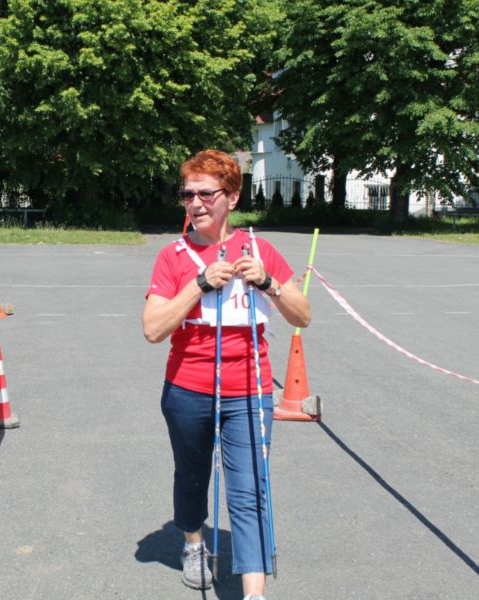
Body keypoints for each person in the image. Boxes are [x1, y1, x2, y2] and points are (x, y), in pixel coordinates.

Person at [142, 149, 310, 600]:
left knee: (250, 489)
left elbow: (303, 316)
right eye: (187, 194)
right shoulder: (172, 256)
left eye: (205, 193)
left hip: (249, 391)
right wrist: (198, 285)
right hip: (188, 389)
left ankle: (254, 593)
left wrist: (268, 283)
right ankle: (194, 543)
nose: (194, 203)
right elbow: (153, 329)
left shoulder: (260, 249)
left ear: (232, 197)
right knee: (192, 475)